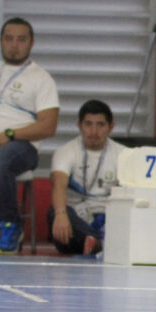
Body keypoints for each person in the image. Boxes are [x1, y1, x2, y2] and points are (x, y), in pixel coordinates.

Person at [0, 17, 59, 254]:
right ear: (1, 41)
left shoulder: (41, 78)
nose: (14, 44)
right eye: (9, 39)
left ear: (31, 43)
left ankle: (11, 223)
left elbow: (48, 126)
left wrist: (10, 135)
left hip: (22, 147)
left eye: (21, 39)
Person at [48, 99, 127, 256]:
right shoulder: (65, 151)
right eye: (88, 124)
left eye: (100, 125)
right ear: (80, 126)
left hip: (109, 219)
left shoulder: (124, 154)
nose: (93, 131)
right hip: (76, 224)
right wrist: (61, 214)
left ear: (111, 127)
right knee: (54, 212)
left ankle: (99, 243)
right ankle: (102, 244)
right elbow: (59, 185)